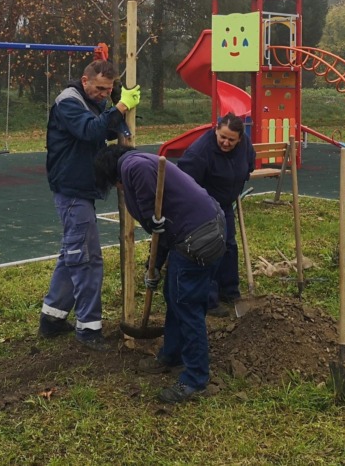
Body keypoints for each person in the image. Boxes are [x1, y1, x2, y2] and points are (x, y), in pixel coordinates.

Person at [94, 145, 226, 404]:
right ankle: (172, 354)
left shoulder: (133, 166)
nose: (119, 190)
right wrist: (153, 266)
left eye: (116, 187)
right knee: (175, 295)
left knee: (187, 306)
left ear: (115, 178)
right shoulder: (142, 160)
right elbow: (162, 227)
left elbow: (154, 217)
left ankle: (196, 380)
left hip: (196, 239)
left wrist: (146, 215)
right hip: (208, 229)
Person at [38, 60, 141, 351]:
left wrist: (120, 110)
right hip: (72, 189)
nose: (103, 94)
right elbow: (90, 131)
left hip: (81, 188)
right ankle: (88, 329)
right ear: (85, 81)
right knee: (86, 259)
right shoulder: (68, 102)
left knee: (71, 254)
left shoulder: (90, 101)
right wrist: (119, 107)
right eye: (99, 88)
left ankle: (52, 318)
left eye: (108, 90)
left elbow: (105, 131)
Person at [177, 113, 255, 317]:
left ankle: (229, 291)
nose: (226, 142)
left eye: (231, 139)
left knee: (229, 245)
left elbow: (250, 163)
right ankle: (209, 299)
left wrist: (241, 178)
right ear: (216, 130)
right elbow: (185, 183)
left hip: (226, 203)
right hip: (203, 206)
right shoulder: (199, 152)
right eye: (222, 137)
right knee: (211, 249)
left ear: (240, 139)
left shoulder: (244, 144)